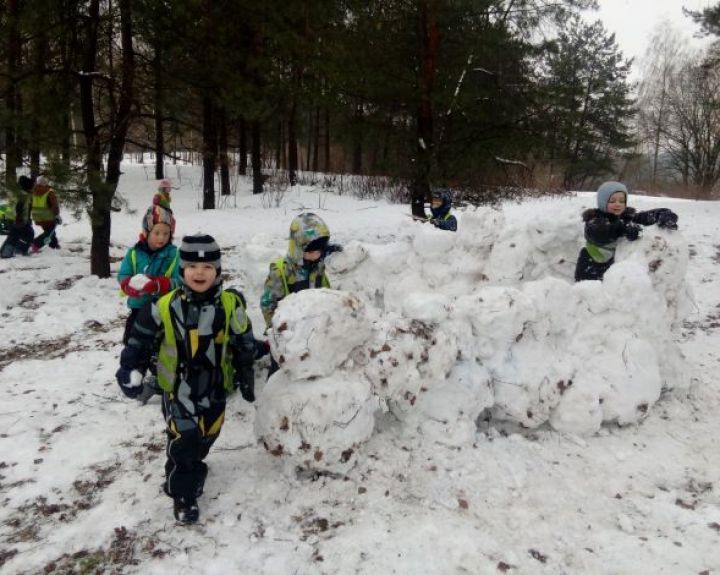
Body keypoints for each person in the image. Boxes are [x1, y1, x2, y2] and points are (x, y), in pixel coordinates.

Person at [115, 234, 260, 524]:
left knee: (207, 435)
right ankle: (183, 494)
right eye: (193, 266)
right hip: (178, 388)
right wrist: (131, 369)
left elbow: (244, 340)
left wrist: (246, 373)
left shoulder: (230, 305)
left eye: (208, 267)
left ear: (217, 271)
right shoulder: (164, 306)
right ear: (182, 269)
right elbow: (139, 341)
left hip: (216, 386)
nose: (200, 273)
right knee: (186, 438)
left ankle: (189, 458)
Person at [575, 181, 679, 282]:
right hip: (591, 268)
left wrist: (661, 214)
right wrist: (624, 229)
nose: (618, 204)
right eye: (612, 201)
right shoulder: (594, 220)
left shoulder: (626, 216)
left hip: (615, 269)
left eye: (622, 201)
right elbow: (601, 233)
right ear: (603, 201)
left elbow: (644, 217)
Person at [260, 212, 334, 329]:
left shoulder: (318, 267)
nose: (315, 256)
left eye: (319, 251)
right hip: (290, 332)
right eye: (310, 252)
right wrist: (280, 329)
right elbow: (268, 305)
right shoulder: (281, 271)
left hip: (316, 329)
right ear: (298, 249)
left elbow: (326, 294)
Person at [0, 176, 35, 258]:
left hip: (10, 217)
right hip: (18, 218)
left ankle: (4, 251)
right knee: (29, 234)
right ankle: (19, 251)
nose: (33, 187)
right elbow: (19, 206)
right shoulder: (24, 195)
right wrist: (20, 218)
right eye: (31, 186)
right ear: (27, 186)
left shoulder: (16, 193)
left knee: (13, 235)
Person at [30, 176, 61, 252]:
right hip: (48, 217)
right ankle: (36, 244)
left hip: (37, 217)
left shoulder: (33, 192)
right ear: (46, 183)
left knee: (49, 231)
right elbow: (54, 206)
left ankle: (54, 245)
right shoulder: (49, 192)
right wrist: (57, 215)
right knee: (49, 232)